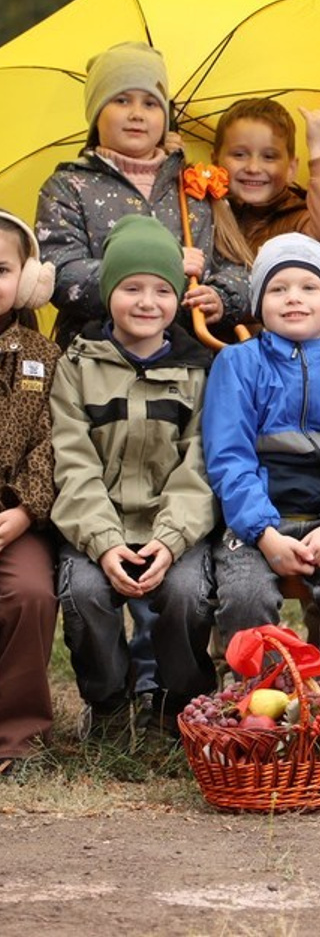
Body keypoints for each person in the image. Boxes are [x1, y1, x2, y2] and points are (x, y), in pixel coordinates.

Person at [50, 217, 217, 736]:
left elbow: (200, 466)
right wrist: (102, 543)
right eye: (131, 288)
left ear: (178, 299)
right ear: (107, 294)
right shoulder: (77, 367)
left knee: (187, 592)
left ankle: (176, 704)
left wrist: (170, 541)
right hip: (97, 526)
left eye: (162, 290)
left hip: (175, 528)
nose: (147, 302)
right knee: (84, 592)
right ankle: (109, 705)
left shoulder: (199, 372)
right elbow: (72, 461)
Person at [203, 235, 320, 690]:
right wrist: (264, 534)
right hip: (258, 521)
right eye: (278, 289)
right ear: (260, 304)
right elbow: (229, 457)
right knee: (245, 596)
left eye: (309, 287)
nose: (294, 297)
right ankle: (258, 703)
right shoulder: (238, 363)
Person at [36, 41, 252, 348]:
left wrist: (222, 296)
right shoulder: (67, 187)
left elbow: (238, 265)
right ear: (96, 113)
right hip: (98, 361)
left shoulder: (194, 185)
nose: (137, 114)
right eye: (121, 100)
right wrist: (162, 264)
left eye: (151, 103)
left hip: (188, 362)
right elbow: (60, 274)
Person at [0, 212, 60, 773]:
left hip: (13, 515)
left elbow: (52, 442)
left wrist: (25, 510)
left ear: (29, 278)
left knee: (30, 595)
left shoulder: (42, 359)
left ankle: (15, 735)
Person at [211, 98, 320, 257]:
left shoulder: (298, 221)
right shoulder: (203, 212)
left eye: (269, 157)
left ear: (291, 169)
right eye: (239, 155)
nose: (253, 168)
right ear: (215, 162)